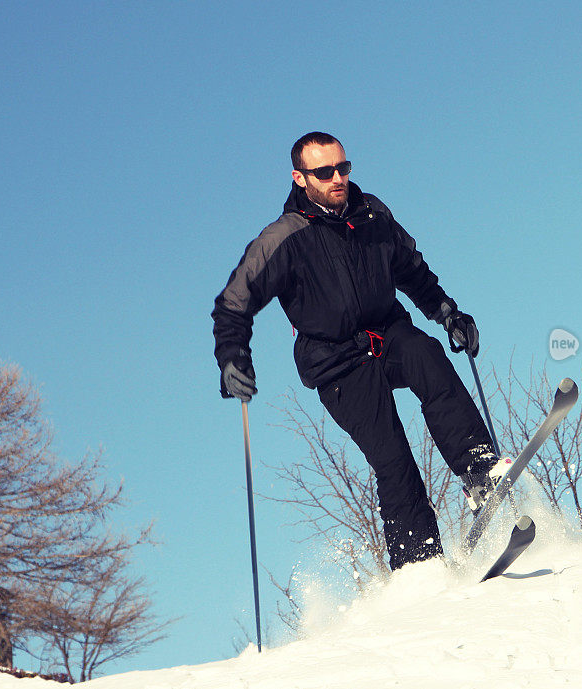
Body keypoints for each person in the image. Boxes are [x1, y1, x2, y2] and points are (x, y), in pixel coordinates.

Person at [212, 132, 499, 570]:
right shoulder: (284, 238)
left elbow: (414, 272)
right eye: (324, 172)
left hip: (389, 334)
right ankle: (419, 562)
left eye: (342, 168)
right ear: (300, 177)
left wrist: (447, 314)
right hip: (336, 363)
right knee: (392, 454)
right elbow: (233, 304)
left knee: (429, 358)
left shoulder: (373, 216)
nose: (337, 178)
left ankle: (480, 473)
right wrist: (232, 359)